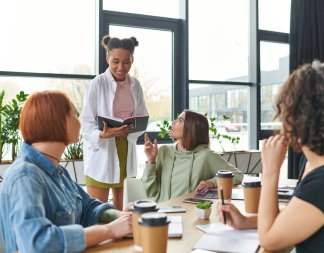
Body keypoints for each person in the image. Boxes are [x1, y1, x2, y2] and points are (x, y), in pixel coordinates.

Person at [219, 61, 324, 252]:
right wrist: (245, 221)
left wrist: (270, 171)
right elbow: (292, 218)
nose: (281, 116)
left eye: (285, 108)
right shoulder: (315, 164)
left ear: (304, 116)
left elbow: (269, 240)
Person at [0, 91, 133, 253]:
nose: (80, 123)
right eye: (74, 116)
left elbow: (87, 207)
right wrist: (109, 230)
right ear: (56, 121)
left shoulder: (58, 171)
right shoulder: (25, 176)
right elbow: (38, 243)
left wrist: (119, 216)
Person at [80, 35, 148, 210]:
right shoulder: (97, 83)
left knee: (123, 213)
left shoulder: (136, 85)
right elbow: (86, 123)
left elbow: (142, 116)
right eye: (115, 61)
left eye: (126, 62)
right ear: (107, 58)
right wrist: (102, 134)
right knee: (97, 213)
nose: (120, 67)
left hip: (126, 149)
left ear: (132, 60)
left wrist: (132, 129)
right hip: (102, 151)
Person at [142, 110, 244, 202]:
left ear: (191, 128)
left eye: (180, 120)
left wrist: (212, 182)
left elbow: (238, 175)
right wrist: (151, 161)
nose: (173, 122)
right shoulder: (164, 151)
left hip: (188, 212)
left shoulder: (206, 156)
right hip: (162, 212)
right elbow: (150, 192)